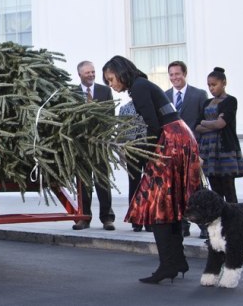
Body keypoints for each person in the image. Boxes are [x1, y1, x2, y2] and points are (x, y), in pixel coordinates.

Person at [102, 55, 201, 284]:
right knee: (170, 203)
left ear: (120, 72)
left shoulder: (138, 88)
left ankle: (169, 264)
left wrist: (146, 158)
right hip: (179, 138)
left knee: (159, 204)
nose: (111, 85)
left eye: (111, 79)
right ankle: (177, 261)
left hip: (170, 142)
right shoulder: (142, 85)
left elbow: (151, 125)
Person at [165, 60, 207, 238]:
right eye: (172, 75)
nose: (175, 77)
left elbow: (203, 122)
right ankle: (183, 225)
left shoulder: (199, 94)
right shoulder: (164, 96)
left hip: (194, 150)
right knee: (178, 190)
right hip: (173, 152)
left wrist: (202, 151)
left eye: (177, 74)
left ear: (185, 74)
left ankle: (204, 224)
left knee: (197, 189)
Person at [72, 60, 116, 231]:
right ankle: (84, 218)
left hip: (99, 144)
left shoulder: (105, 91)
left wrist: (101, 136)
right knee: (83, 182)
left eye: (93, 72)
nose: (91, 75)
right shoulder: (72, 93)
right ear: (80, 74)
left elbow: (110, 115)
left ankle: (107, 218)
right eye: (87, 72)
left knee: (102, 181)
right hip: (81, 146)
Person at [194, 67, 243, 203]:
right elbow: (197, 127)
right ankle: (219, 219)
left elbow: (221, 124)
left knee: (229, 189)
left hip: (224, 149)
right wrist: (213, 124)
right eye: (209, 85)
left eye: (214, 85)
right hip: (209, 150)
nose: (211, 88)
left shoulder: (230, 101)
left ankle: (234, 221)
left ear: (224, 83)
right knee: (215, 190)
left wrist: (205, 122)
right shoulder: (207, 102)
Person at [117, 99, 150, 232]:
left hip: (149, 148)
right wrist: (121, 152)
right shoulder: (124, 108)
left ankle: (149, 220)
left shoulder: (150, 106)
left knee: (150, 185)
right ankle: (136, 219)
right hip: (132, 148)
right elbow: (121, 130)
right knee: (134, 184)